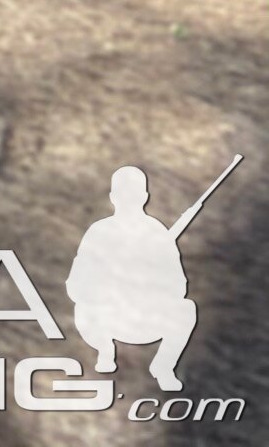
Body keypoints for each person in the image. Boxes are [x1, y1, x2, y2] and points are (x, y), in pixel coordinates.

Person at [69, 166, 205, 391]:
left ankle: (163, 366)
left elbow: (178, 286)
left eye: (133, 194)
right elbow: (76, 283)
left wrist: (148, 279)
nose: (128, 200)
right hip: (107, 318)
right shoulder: (99, 232)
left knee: (186, 309)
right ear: (113, 197)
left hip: (147, 318)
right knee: (82, 309)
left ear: (144, 197)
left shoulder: (157, 233)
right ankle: (104, 351)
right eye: (123, 194)